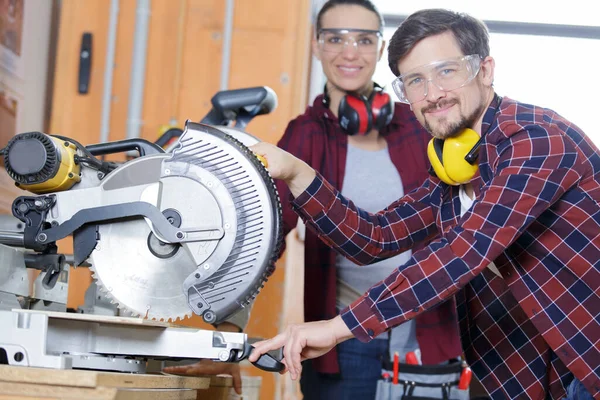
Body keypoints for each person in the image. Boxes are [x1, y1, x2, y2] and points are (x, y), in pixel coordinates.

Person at [248, 8, 600, 400]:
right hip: (534, 373)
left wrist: (336, 327)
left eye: (447, 71)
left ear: (485, 71)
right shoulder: (454, 169)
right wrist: (299, 174)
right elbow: (374, 239)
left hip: (588, 359)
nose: (432, 94)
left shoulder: (537, 142)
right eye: (415, 80)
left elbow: (463, 252)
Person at [167, 2, 464, 399]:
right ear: (316, 46)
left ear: (380, 49)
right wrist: (228, 340)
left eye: (363, 39)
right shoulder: (304, 137)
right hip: (343, 342)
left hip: (427, 338)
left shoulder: (420, 125)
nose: (349, 52)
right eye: (335, 38)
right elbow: (262, 241)